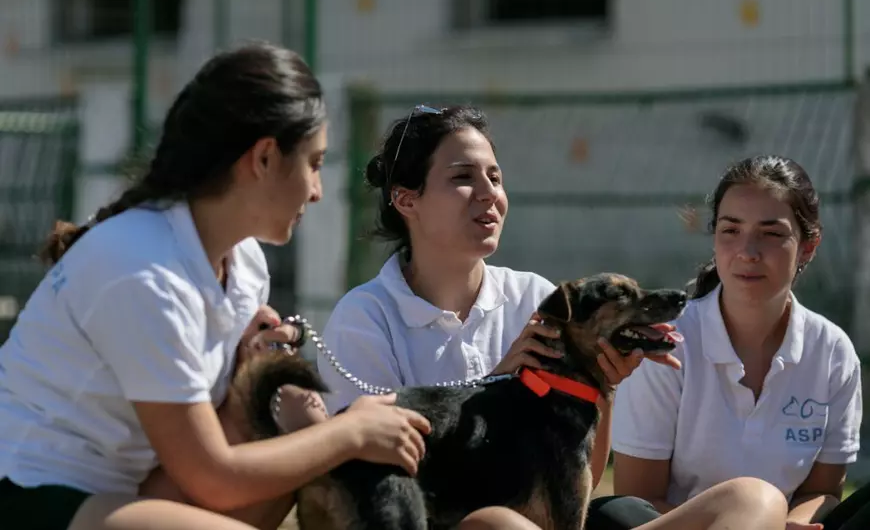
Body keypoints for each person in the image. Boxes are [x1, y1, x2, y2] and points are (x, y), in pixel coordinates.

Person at [0, 42, 524, 530]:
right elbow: (212, 474)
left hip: (134, 488)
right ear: (265, 158)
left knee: (287, 435)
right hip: (37, 495)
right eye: (315, 164)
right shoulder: (142, 268)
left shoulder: (244, 261)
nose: (318, 191)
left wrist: (268, 385)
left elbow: (242, 434)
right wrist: (351, 431)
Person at [315, 104, 794, 530]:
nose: (489, 194)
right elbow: (368, 471)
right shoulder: (365, 318)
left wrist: (599, 387)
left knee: (752, 498)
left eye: (496, 178)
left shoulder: (537, 298)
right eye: (463, 178)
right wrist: (495, 385)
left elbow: (578, 477)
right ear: (407, 200)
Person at [611, 155, 868, 530]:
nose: (748, 251)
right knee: (746, 499)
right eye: (731, 230)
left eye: (771, 233)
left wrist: (792, 524)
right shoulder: (668, 342)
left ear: (809, 246)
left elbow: (823, 492)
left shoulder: (833, 352)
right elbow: (638, 500)